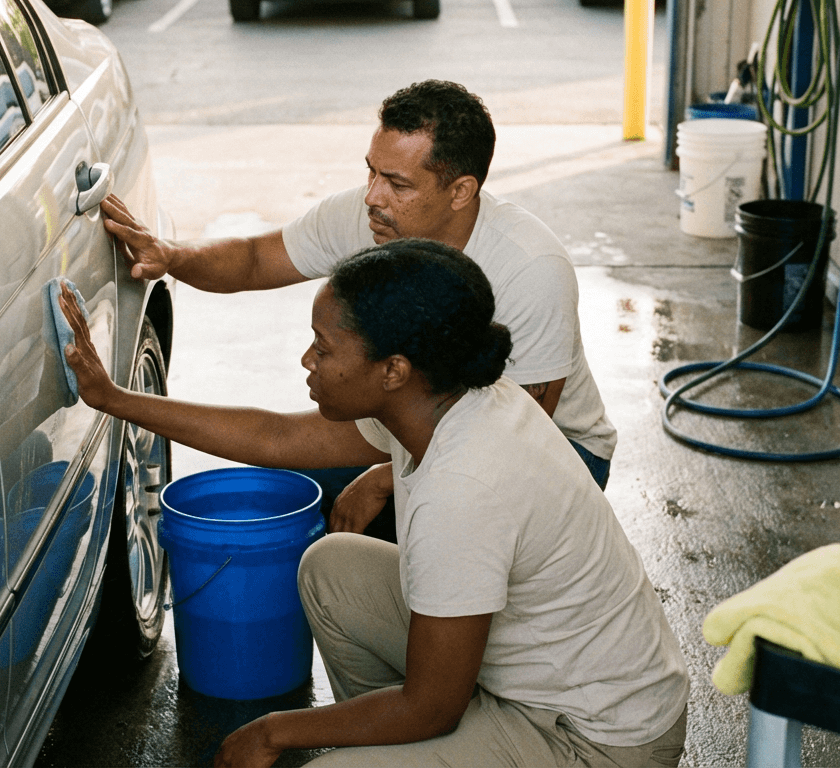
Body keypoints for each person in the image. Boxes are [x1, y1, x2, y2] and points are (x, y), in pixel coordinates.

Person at [57, 239, 689, 768]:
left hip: (597, 740)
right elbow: (274, 436)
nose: (308, 358)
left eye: (325, 349)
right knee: (332, 569)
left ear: (393, 369)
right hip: (528, 678)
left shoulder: (466, 486)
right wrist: (113, 398)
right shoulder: (444, 397)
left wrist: (274, 730)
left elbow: (430, 706)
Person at [98, 79, 617, 539]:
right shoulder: (370, 216)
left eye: (399, 183)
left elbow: (519, 435)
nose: (373, 196)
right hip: (412, 420)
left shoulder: (530, 267)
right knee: (289, 487)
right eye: (372, 172)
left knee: (421, 545)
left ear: (461, 191)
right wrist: (170, 257)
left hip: (555, 450)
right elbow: (256, 260)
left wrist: (390, 478)